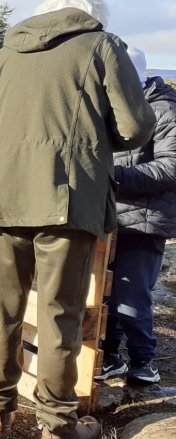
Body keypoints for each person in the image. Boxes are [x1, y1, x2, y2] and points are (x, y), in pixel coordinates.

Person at [0, 1, 155, 439]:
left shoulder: (5, 53)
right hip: (67, 198)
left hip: (4, 195)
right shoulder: (102, 45)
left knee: (2, 309)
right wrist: (94, 136)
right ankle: (56, 428)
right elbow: (135, 127)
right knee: (60, 314)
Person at [97, 47, 176, 385]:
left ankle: (144, 360)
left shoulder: (164, 110)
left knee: (129, 299)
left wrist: (113, 176)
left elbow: (171, 166)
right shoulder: (109, 106)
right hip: (109, 217)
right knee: (104, 293)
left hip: (145, 221)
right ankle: (110, 357)